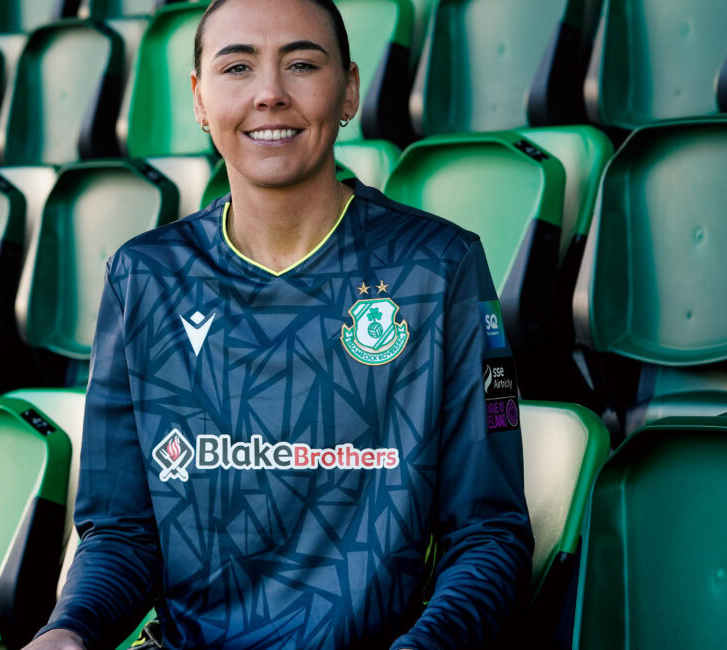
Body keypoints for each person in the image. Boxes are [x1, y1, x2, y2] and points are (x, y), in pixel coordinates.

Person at [28, 0, 534, 647]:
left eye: (301, 63)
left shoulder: (440, 269)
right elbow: (122, 533)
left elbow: (490, 538)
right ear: (198, 99)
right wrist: (70, 630)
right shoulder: (142, 278)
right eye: (237, 67)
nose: (270, 94)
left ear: (349, 90)